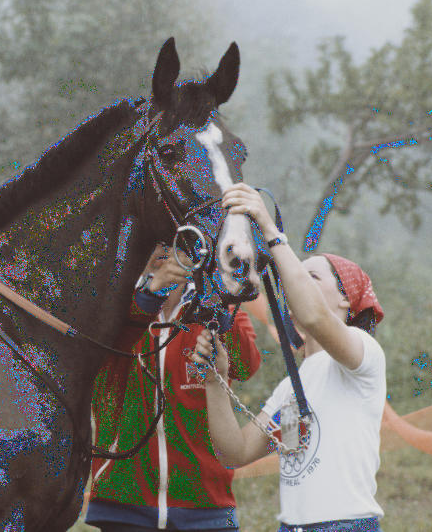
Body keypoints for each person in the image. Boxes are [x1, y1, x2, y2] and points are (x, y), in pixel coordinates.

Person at [192, 183, 386, 532]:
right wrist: (215, 382)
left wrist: (270, 230)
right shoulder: (291, 387)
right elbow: (234, 453)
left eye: (311, 277)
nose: (295, 289)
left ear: (347, 300)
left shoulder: (362, 354)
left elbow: (314, 315)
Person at [87, 244, 262, 531]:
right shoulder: (114, 301)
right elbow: (98, 358)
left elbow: (247, 366)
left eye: (176, 240)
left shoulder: (212, 304)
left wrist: (216, 299)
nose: (166, 248)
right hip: (123, 504)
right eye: (156, 240)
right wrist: (149, 295)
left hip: (205, 505)